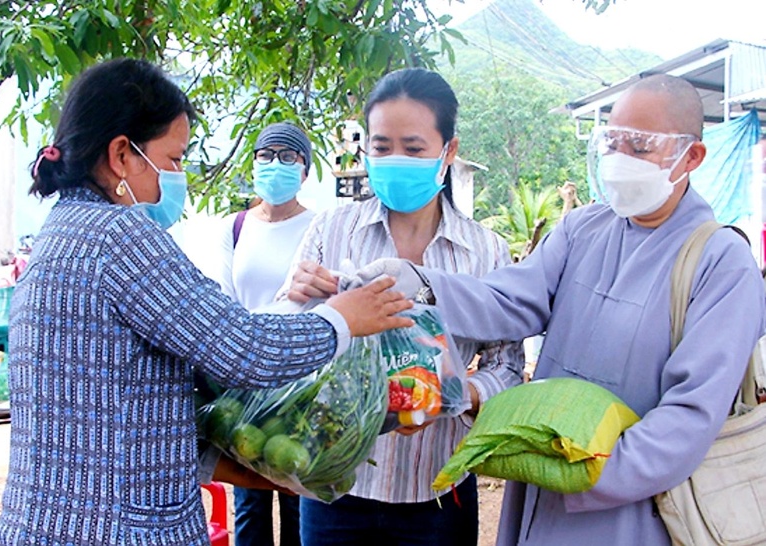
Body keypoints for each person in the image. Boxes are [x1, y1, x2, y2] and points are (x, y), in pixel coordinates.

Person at [0, 58, 414, 546]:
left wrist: (213, 457)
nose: (177, 177)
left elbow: (100, 407)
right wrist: (341, 319)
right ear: (121, 156)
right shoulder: (118, 234)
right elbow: (243, 349)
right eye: (173, 160)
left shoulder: (57, 235)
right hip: (121, 531)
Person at [350, 74, 766, 545]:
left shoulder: (720, 262)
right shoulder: (583, 229)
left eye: (640, 146)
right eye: (612, 142)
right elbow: (508, 300)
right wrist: (417, 281)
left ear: (691, 157)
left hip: (630, 511)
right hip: (541, 496)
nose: (619, 159)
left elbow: (690, 416)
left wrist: (581, 472)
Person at [286, 67, 525, 546]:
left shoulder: (486, 251)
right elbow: (289, 345)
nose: (395, 159)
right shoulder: (331, 232)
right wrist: (298, 301)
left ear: (448, 152)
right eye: (381, 147)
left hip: (436, 496)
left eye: (413, 149)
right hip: (334, 487)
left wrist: (455, 395)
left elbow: (508, 364)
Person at [217, 122, 317, 546]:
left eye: (288, 156)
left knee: (299, 498)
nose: (275, 164)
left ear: (305, 170)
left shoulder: (321, 226)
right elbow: (224, 301)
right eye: (266, 155)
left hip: (302, 387)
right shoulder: (235, 227)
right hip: (245, 384)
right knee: (250, 504)